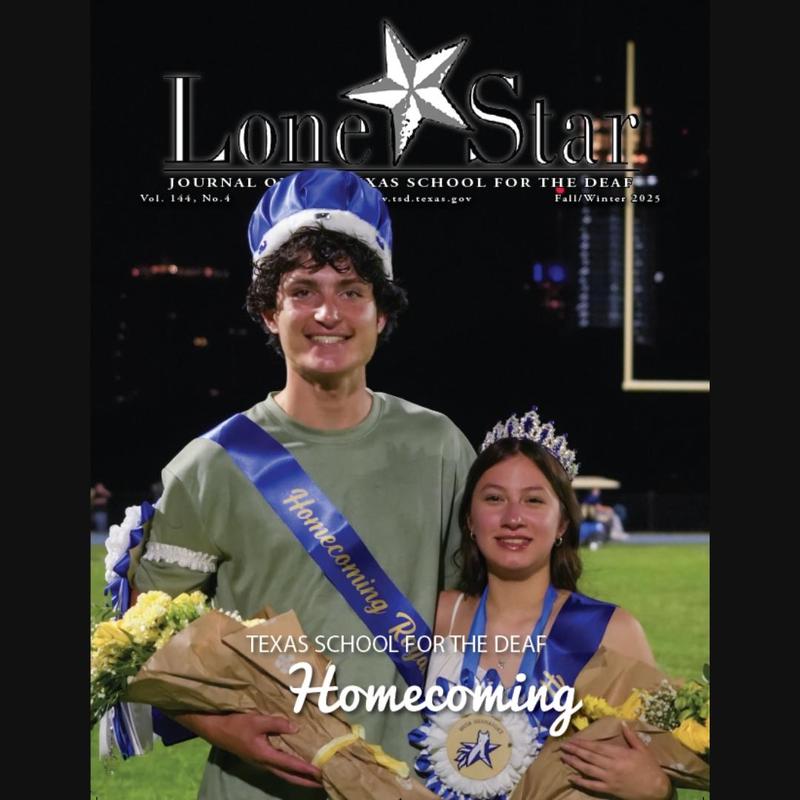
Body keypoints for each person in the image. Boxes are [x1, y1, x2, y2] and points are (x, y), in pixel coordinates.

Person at [124, 169, 476, 799]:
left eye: (351, 290)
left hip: (415, 784)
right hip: (260, 785)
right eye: (302, 291)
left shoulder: (440, 445)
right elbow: (141, 649)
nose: (326, 313)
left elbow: (490, 620)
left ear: (381, 311)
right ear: (269, 310)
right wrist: (225, 730)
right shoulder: (209, 465)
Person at [421, 409, 674, 800]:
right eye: (493, 498)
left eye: (534, 500)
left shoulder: (611, 631)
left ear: (562, 524)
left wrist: (657, 789)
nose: (513, 518)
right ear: (470, 519)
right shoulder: (435, 617)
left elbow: (654, 762)